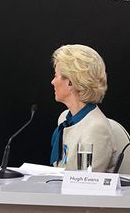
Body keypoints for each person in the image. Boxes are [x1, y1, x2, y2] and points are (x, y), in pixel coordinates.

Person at [49, 44, 116, 172]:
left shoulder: (96, 128)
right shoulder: (64, 118)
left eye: (56, 75)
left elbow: (85, 184)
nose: (52, 81)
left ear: (70, 82)